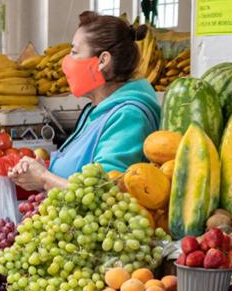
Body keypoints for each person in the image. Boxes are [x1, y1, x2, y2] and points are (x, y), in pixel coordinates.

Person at [10, 11, 161, 192]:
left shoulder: (129, 117)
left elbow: (105, 191)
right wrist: (43, 170)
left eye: (74, 52)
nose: (66, 61)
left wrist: (44, 178)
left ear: (102, 60)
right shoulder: (96, 111)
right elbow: (80, 173)